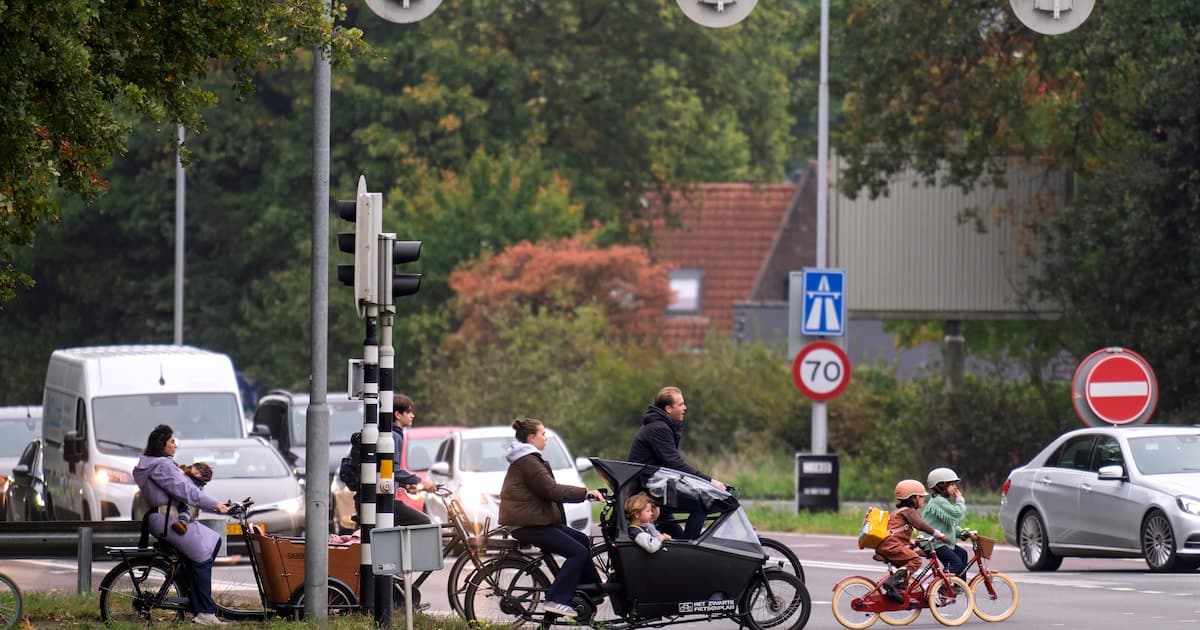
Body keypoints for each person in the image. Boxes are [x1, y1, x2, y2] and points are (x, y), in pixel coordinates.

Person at [500, 417, 605, 619]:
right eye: (543, 434)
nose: (545, 438)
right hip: (528, 524)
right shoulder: (528, 461)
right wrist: (585, 493)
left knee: (582, 540)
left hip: (535, 521)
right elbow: (551, 490)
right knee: (578, 552)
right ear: (532, 437)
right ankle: (557, 598)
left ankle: (590, 590)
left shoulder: (529, 458)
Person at [132, 425, 231, 626]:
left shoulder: (154, 463)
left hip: (168, 518)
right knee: (202, 557)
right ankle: (204, 612)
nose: (175, 445)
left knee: (214, 540)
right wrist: (215, 505)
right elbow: (186, 491)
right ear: (161, 444)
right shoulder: (162, 465)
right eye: (171, 441)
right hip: (169, 520)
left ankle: (192, 592)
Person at [627, 386, 726, 539]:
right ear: (668, 408)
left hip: (655, 486)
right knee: (700, 505)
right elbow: (675, 463)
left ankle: (681, 553)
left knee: (677, 539)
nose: (684, 408)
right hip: (648, 489)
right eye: (680, 404)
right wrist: (709, 481)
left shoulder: (662, 425)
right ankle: (690, 553)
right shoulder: (658, 428)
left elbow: (669, 466)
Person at [875, 479, 948, 604]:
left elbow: (898, 532)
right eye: (921, 497)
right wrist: (938, 534)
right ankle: (891, 585)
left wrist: (912, 542)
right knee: (915, 560)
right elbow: (921, 525)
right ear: (913, 498)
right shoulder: (909, 511)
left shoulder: (898, 512)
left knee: (908, 563)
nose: (923, 500)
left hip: (888, 544)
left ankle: (901, 596)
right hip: (891, 545)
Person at [390, 394, 436, 526]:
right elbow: (392, 470)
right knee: (423, 522)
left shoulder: (394, 434)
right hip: (384, 502)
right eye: (409, 412)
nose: (412, 415)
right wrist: (420, 481)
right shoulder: (394, 437)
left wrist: (406, 485)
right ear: (398, 414)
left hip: (384, 500)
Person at [921, 467, 969, 579]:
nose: (955, 487)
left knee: (963, 554)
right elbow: (956, 513)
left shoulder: (941, 501)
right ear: (942, 485)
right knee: (956, 563)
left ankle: (957, 585)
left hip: (942, 542)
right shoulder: (938, 501)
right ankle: (941, 584)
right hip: (935, 543)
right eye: (952, 484)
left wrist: (961, 532)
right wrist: (960, 500)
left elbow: (949, 524)